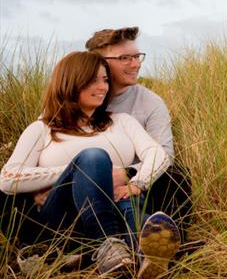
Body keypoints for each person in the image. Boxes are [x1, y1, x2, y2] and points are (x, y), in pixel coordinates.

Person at [0, 52, 180, 277]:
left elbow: (158, 154)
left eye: (105, 80)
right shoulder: (42, 128)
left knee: (128, 202)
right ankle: (110, 244)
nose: (103, 87)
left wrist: (138, 182)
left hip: (120, 201)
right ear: (71, 81)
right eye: (93, 80)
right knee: (94, 158)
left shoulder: (122, 121)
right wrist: (78, 174)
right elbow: (8, 178)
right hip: (64, 219)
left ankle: (143, 255)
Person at [84, 27, 192, 239]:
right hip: (85, 184)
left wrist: (129, 174)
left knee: (175, 176)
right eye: (125, 58)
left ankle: (169, 240)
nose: (136, 64)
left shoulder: (150, 102)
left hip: (135, 187)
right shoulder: (75, 98)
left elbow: (165, 155)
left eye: (136, 56)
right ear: (100, 63)